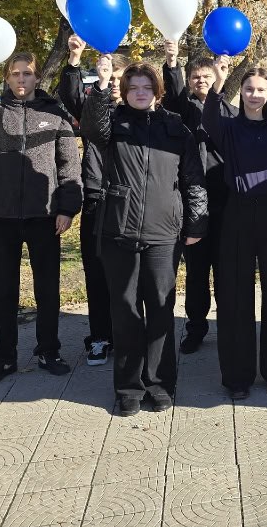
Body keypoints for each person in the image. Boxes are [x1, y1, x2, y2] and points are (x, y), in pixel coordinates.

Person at [0, 51, 82, 386]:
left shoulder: (53, 114)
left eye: (27, 74)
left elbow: (69, 166)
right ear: (7, 78)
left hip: (45, 217)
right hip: (3, 217)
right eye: (14, 74)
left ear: (37, 78)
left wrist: (67, 208)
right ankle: (3, 357)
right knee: (2, 292)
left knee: (47, 290)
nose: (21, 79)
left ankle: (48, 350)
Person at [82, 62, 207, 416]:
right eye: (133, 86)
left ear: (157, 91)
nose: (140, 92)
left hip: (164, 233)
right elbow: (91, 126)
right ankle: (128, 387)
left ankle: (160, 383)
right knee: (124, 312)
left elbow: (193, 178)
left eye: (146, 87)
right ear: (125, 90)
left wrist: (196, 222)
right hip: (118, 232)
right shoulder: (113, 123)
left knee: (161, 310)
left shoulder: (174, 127)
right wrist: (102, 87)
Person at [203, 61, 267, 399]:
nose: (255, 95)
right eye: (249, 89)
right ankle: (237, 377)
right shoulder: (229, 127)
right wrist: (218, 82)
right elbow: (209, 119)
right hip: (237, 215)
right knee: (234, 297)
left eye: (261, 89)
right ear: (241, 92)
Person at [58, 35, 125, 367]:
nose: (112, 84)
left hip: (129, 203)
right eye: (108, 77)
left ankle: (126, 333)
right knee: (96, 273)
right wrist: (74, 59)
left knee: (126, 275)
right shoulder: (92, 108)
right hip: (97, 200)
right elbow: (70, 97)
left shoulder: (138, 113)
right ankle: (100, 337)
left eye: (117, 79)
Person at [162, 45, 232, 355]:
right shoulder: (183, 109)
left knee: (227, 270)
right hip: (193, 203)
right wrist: (172, 62)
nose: (201, 80)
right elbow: (173, 93)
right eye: (195, 76)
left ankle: (231, 326)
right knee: (197, 272)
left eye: (206, 75)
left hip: (225, 201)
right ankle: (195, 327)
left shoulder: (230, 109)